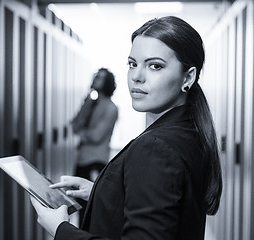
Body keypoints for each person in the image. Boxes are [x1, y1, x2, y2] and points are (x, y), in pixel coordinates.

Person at [30, 16, 223, 239]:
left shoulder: (155, 147)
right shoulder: (189, 130)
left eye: (155, 66)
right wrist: (102, 192)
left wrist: (60, 229)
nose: (136, 77)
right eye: (133, 64)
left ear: (188, 77)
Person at [70, 67, 118, 224]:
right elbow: (75, 125)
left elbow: (96, 136)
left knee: (91, 206)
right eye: (96, 76)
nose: (96, 79)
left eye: (100, 77)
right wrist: (86, 105)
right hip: (82, 159)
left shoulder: (111, 108)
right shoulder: (91, 102)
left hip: (96, 161)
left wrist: (83, 132)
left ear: (108, 82)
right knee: (78, 204)